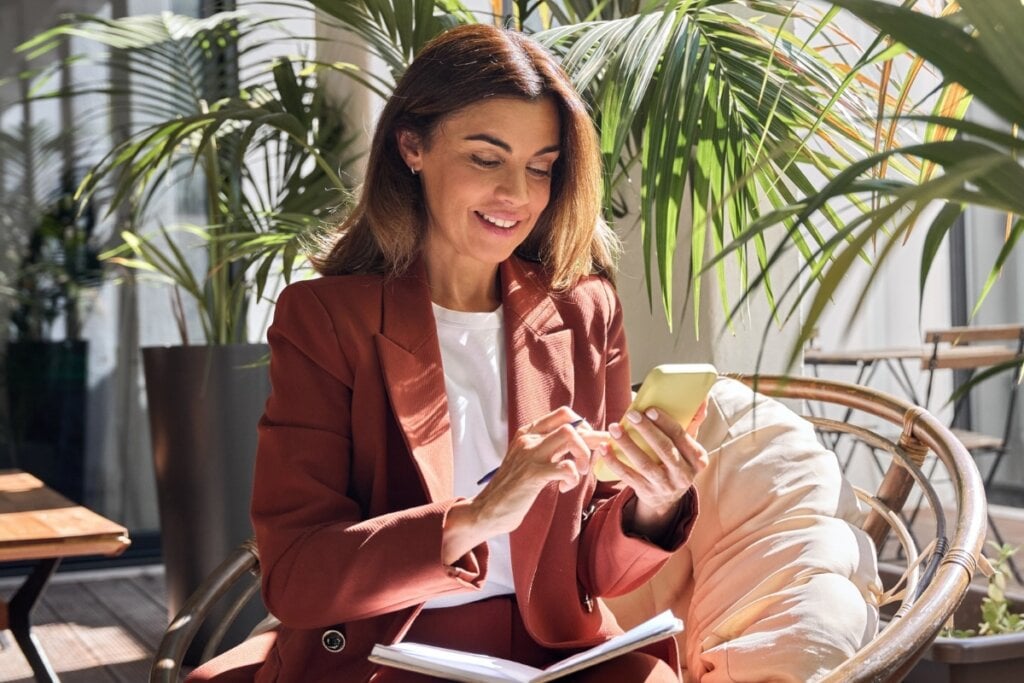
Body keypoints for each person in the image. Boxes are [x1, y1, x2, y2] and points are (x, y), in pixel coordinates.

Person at [187, 23, 708, 683]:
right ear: (412, 146)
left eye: (541, 167)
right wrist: (477, 516)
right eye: (486, 159)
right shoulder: (325, 320)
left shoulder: (585, 312)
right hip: (392, 653)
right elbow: (294, 574)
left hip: (555, 653)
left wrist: (651, 508)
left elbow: (592, 571)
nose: (517, 195)